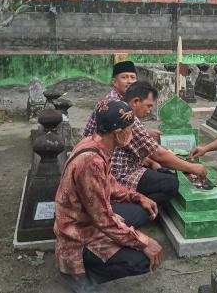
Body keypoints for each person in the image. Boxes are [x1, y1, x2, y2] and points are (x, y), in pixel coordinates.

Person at [54, 100, 163, 293]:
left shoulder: (96, 143)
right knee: (142, 260)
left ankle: (93, 263)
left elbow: (109, 183)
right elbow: (103, 220)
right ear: (118, 133)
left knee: (142, 211)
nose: (132, 133)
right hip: (78, 233)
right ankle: (78, 273)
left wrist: (138, 197)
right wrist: (143, 241)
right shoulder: (91, 162)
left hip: (89, 219)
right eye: (130, 129)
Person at [111, 81, 207, 204]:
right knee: (171, 183)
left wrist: (152, 161)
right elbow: (159, 155)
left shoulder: (121, 110)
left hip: (123, 167)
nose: (149, 111)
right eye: (149, 106)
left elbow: (142, 149)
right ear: (135, 102)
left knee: (165, 172)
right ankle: (136, 204)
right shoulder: (130, 120)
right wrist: (192, 167)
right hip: (122, 175)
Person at [84, 60, 161, 139]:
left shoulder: (129, 100)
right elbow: (118, 133)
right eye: (124, 77)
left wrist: (144, 132)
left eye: (132, 77)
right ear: (114, 82)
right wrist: (145, 133)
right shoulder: (112, 102)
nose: (129, 81)